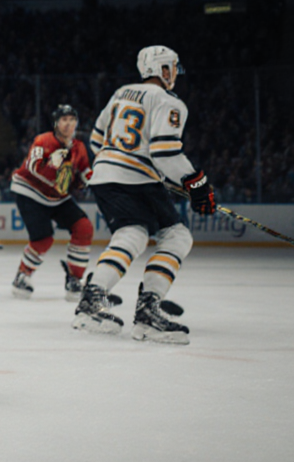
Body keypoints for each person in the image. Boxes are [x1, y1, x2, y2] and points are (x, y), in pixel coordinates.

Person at [72, 45, 217, 345]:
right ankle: (99, 302)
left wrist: (131, 164)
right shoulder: (168, 101)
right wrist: (196, 183)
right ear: (162, 70)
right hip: (134, 179)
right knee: (141, 234)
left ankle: (140, 307)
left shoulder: (121, 92)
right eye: (172, 67)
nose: (175, 72)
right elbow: (164, 151)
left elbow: (97, 139)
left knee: (169, 235)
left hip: (110, 174)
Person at [9, 104, 94, 301]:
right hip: (30, 193)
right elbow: (32, 167)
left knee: (84, 228)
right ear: (56, 123)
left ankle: (75, 279)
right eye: (64, 120)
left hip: (57, 197)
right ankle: (22, 275)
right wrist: (52, 167)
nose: (68, 124)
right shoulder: (43, 140)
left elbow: (84, 171)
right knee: (43, 239)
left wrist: (93, 179)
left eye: (72, 119)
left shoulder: (79, 147)